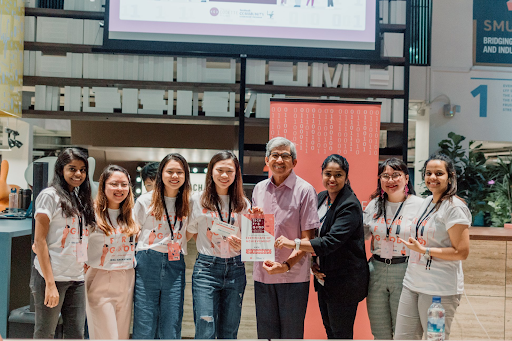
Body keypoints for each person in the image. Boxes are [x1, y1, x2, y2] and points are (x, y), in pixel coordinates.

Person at [275, 154, 369, 339]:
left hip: (345, 281)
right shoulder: (321, 197)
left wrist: (293, 243)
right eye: (328, 174)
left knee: (340, 333)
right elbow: (314, 232)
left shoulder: (349, 204)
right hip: (324, 277)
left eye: (338, 174)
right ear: (322, 174)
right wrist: (312, 263)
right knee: (330, 330)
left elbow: (330, 241)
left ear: (346, 176)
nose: (332, 179)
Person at [394, 154, 471, 340]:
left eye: (439, 173)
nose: (433, 178)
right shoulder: (427, 201)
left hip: (439, 290)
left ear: (450, 176)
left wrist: (425, 251)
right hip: (412, 283)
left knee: (434, 339)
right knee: (402, 337)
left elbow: (461, 252)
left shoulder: (455, 208)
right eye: (428, 173)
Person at [251, 137, 320, 339]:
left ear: (294, 162)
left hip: (293, 276)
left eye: (285, 155)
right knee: (265, 334)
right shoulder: (259, 189)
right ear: (267, 159)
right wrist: (254, 222)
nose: (279, 160)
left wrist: (286, 266)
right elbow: (257, 233)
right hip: (263, 274)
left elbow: (307, 240)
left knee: (291, 335)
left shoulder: (305, 190)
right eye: (275, 155)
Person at [31, 147, 95, 339]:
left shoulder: (79, 198)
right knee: (45, 333)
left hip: (76, 277)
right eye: (72, 168)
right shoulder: (49, 196)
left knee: (76, 333)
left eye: (82, 169)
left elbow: (82, 235)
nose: (78, 174)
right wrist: (50, 284)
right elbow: (39, 240)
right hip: (51, 277)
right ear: (61, 170)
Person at [187, 151, 250, 339]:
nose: (224, 175)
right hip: (206, 269)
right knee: (205, 327)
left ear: (236, 174)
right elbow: (190, 233)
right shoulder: (197, 200)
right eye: (219, 170)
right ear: (211, 172)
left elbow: (249, 242)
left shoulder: (243, 204)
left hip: (236, 268)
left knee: (229, 330)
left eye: (229, 171)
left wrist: (242, 244)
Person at [132, 154, 192, 339]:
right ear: (161, 174)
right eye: (170, 171)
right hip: (147, 262)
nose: (175, 176)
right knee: (144, 320)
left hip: (175, 264)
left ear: (185, 176)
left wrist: (177, 242)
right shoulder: (145, 200)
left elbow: (189, 231)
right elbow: (134, 231)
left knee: (171, 320)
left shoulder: (189, 202)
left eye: (179, 172)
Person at [363, 158, 424, 340]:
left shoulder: (420, 205)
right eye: (385, 176)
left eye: (396, 175)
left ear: (406, 178)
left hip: (406, 269)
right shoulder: (374, 205)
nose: (391, 181)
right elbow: (361, 236)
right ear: (380, 180)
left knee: (404, 332)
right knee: (379, 330)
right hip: (376, 270)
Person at [85, 165, 139, 339]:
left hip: (127, 276)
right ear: (103, 186)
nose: (120, 189)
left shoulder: (132, 214)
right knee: (106, 336)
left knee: (122, 335)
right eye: (114, 184)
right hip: (100, 277)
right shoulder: (91, 214)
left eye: (124, 184)